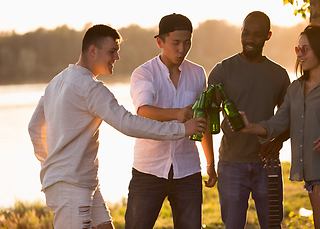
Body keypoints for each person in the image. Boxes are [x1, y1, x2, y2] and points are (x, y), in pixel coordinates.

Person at [28, 24, 205, 229]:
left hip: (85, 183)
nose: (117, 58)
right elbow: (128, 123)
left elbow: (34, 127)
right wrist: (182, 130)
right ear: (92, 50)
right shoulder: (90, 89)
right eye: (112, 51)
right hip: (70, 187)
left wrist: (49, 164)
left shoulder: (57, 81)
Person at [240, 24, 320, 229]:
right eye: (297, 49)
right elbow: (278, 123)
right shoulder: (295, 89)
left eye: (305, 49)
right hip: (313, 175)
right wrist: (250, 127)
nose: (300, 54)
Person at [125, 13, 217, 229]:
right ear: (160, 42)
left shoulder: (198, 73)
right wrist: (176, 114)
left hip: (188, 170)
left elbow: (201, 122)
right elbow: (143, 111)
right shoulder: (144, 74)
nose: (182, 49)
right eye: (175, 43)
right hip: (148, 170)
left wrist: (210, 163)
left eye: (187, 43)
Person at [207, 11, 291, 228]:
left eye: (257, 34)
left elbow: (289, 116)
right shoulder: (222, 70)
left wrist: (278, 142)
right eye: (246, 33)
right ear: (241, 32)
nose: (250, 39)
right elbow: (209, 113)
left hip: (267, 163)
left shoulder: (279, 74)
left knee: (272, 224)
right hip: (231, 163)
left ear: (268, 36)